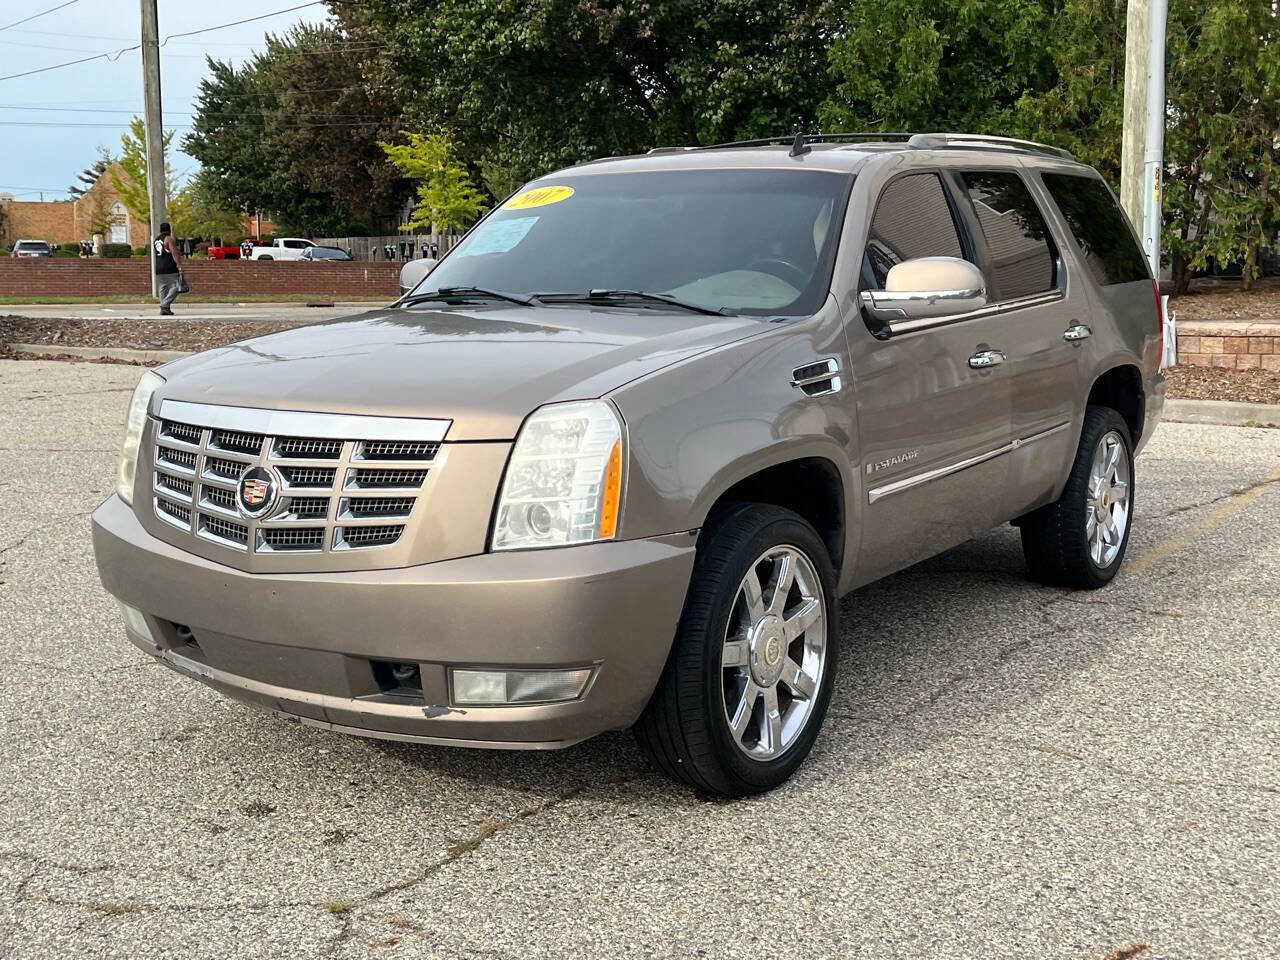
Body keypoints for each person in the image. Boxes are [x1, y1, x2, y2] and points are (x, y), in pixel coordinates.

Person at [153, 221, 182, 316]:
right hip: (169, 266)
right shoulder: (168, 239)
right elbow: (174, 252)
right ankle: (164, 305)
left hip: (159, 267)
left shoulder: (156, 240)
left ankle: (165, 310)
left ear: (160, 230)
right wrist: (179, 264)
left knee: (163, 288)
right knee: (177, 286)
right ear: (169, 230)